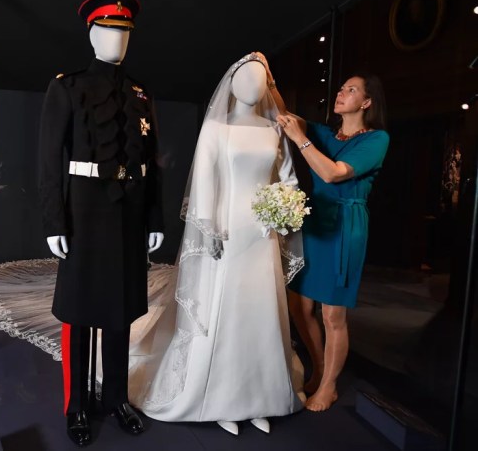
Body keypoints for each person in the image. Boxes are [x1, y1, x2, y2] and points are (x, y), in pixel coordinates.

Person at [130, 52, 305, 436]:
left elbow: (287, 176)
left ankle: (261, 396)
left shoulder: (274, 128)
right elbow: (205, 181)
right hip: (227, 229)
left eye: (262, 79)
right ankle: (222, 399)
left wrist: (288, 206)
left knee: (260, 310)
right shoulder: (216, 128)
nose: (255, 85)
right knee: (225, 309)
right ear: (233, 82)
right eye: (248, 77)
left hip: (263, 232)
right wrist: (207, 227)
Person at [38, 0, 164, 447]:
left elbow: (151, 163)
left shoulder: (141, 94)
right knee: (79, 311)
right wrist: (55, 221)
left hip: (129, 214)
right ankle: (76, 405)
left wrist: (154, 217)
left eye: (124, 32)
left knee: (120, 310)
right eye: (109, 30)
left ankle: (116, 397)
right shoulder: (67, 87)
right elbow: (50, 160)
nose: (117, 40)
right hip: (84, 212)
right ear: (91, 33)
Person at [269, 65, 390, 412]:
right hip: (316, 221)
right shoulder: (327, 135)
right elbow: (284, 114)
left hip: (344, 226)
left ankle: (329, 386)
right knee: (298, 304)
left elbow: (333, 173)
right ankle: (320, 367)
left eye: (350, 90)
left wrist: (301, 139)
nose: (340, 93)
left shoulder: (376, 139)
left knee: (332, 314)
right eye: (340, 88)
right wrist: (270, 79)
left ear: (367, 102)